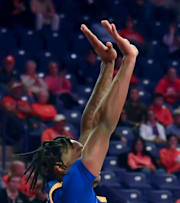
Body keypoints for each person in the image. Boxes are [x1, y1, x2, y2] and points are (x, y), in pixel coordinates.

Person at [21, 20, 138, 203]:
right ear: (60, 167)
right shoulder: (72, 187)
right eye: (76, 149)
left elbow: (90, 126)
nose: (82, 148)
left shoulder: (63, 188)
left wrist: (107, 66)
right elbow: (103, 125)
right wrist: (128, 60)